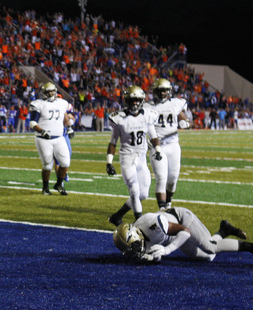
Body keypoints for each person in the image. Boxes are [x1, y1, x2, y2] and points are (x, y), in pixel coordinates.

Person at [106, 86, 162, 225]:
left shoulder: (148, 116)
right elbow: (113, 142)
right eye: (132, 100)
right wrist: (109, 162)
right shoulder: (119, 118)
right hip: (127, 158)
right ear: (126, 101)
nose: (135, 103)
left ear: (142, 101)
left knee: (143, 194)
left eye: (137, 100)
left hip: (141, 159)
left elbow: (153, 135)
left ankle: (117, 216)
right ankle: (140, 224)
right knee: (135, 191)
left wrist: (158, 150)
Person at [113, 207, 252, 262]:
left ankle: (249, 247)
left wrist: (167, 250)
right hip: (171, 236)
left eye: (134, 245)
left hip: (182, 220)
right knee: (208, 257)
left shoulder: (153, 224)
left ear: (137, 234)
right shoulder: (140, 238)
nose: (135, 249)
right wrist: (150, 257)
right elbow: (155, 256)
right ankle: (223, 231)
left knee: (210, 247)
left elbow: (185, 232)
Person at [145, 78, 190, 210]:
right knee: (161, 177)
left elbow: (182, 115)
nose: (163, 93)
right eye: (160, 90)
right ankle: (162, 208)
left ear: (169, 91)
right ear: (155, 91)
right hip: (157, 146)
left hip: (173, 145)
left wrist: (185, 121)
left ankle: (168, 202)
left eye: (165, 90)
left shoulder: (175, 103)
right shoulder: (148, 106)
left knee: (172, 179)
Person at [29, 82, 75, 195]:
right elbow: (32, 122)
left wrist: (69, 128)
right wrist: (41, 131)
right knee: (47, 165)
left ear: (55, 91)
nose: (50, 94)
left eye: (52, 91)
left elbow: (65, 119)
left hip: (59, 138)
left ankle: (58, 184)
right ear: (44, 93)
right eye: (48, 92)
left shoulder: (62, 103)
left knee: (65, 162)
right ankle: (45, 187)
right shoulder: (38, 104)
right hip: (43, 139)